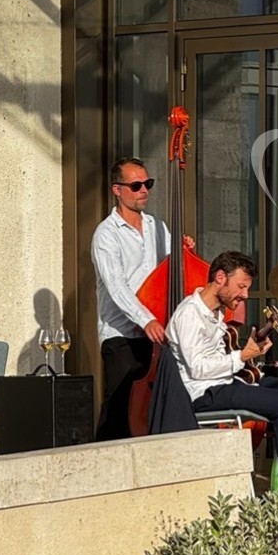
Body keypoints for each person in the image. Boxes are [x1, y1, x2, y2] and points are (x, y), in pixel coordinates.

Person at [167, 251, 278, 492]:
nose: (244, 295)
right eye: (241, 286)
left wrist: (250, 351)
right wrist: (242, 356)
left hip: (229, 382)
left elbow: (222, 357)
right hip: (206, 392)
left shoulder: (217, 313)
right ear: (220, 277)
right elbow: (198, 368)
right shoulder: (189, 314)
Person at [91, 157, 179, 440]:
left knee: (153, 411)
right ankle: (103, 461)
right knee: (118, 410)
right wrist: (146, 319)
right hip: (122, 335)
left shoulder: (158, 227)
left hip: (157, 333)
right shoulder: (106, 234)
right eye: (136, 185)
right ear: (117, 190)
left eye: (148, 184)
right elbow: (117, 287)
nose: (144, 190)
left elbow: (171, 272)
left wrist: (183, 252)